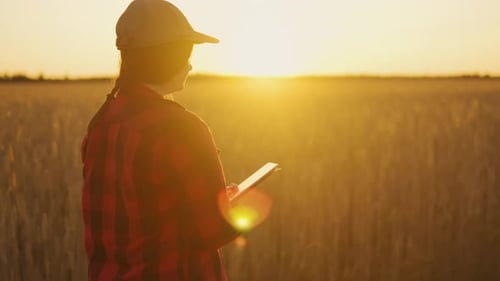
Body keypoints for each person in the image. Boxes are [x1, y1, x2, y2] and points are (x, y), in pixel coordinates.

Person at [80, 1, 268, 280]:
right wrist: (239, 206)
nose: (190, 65)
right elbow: (212, 230)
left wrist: (212, 199)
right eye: (185, 53)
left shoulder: (102, 123)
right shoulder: (182, 129)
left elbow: (140, 211)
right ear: (166, 56)